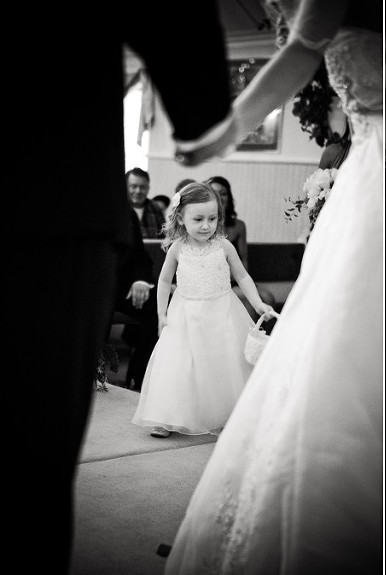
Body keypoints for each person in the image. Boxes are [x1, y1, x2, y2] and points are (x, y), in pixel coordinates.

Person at [10, 2, 236, 571]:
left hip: (59, 213)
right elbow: (176, 29)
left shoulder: (219, 241)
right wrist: (204, 118)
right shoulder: (174, 239)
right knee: (36, 445)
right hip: (53, 204)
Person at [166, 1, 383, 572]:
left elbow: (302, 48)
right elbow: (171, 276)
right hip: (366, 183)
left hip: (379, 180)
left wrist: (226, 130)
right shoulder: (184, 247)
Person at [132, 182, 276, 438]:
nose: (206, 226)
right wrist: (161, 314)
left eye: (212, 218)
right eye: (198, 219)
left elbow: (242, 276)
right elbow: (164, 281)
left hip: (221, 314)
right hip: (185, 315)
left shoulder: (224, 246)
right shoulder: (177, 248)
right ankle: (167, 417)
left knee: (223, 365)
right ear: (181, 217)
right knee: (179, 365)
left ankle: (224, 414)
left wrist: (257, 302)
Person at [113, 200, 160, 392]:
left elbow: (140, 255)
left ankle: (138, 378)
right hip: (92, 285)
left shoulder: (126, 212)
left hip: (123, 286)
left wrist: (140, 280)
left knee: (157, 301)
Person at [205, 176, 248, 270]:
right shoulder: (199, 226)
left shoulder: (239, 226)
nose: (219, 197)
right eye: (214, 194)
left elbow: (244, 261)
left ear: (229, 198)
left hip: (232, 277)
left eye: (223, 194)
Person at [126, 167, 166, 238]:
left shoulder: (155, 208)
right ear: (125, 187)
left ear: (148, 188)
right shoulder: (117, 209)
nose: (138, 191)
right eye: (133, 186)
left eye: (142, 187)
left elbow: (163, 237)